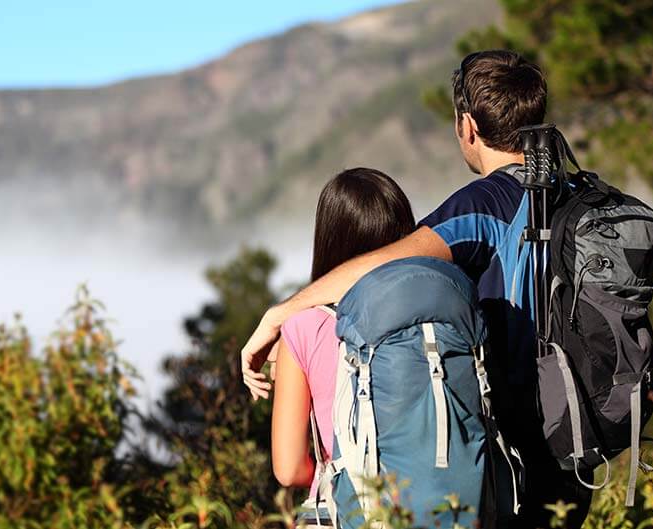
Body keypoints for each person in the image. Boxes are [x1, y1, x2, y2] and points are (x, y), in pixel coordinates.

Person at [243, 50, 593, 529]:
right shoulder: (576, 194)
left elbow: (388, 265)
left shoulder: (480, 205)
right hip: (582, 442)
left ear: (467, 125)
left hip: (511, 453)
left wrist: (280, 314)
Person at [270, 168, 415, 525]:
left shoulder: (304, 327)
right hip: (431, 501)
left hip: (346, 510)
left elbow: (288, 470)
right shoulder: (434, 314)